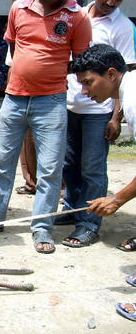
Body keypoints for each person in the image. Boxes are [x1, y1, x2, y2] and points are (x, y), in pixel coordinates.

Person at [0, 0, 92, 254]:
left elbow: (82, 59)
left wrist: (48, 70)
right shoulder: (19, 8)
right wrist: (26, 71)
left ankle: (42, 228)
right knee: (1, 164)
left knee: (49, 169)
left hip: (52, 101)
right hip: (14, 98)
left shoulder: (77, 17)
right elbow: (13, 47)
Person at [60, 0, 136, 248]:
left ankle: (89, 224)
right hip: (71, 105)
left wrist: (116, 116)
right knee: (70, 163)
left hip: (98, 111)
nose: (111, 2)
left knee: (92, 167)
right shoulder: (77, 16)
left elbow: (124, 73)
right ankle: (74, 210)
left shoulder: (124, 28)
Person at [69, 43, 136, 321]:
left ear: (111, 74)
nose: (85, 91)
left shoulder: (132, 99)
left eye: (88, 82)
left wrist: (117, 199)